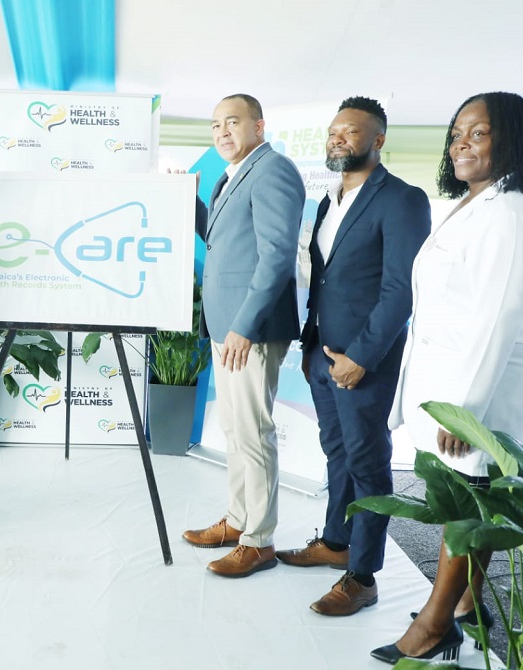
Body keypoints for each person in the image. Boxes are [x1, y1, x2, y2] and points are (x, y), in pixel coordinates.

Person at [371, 92, 523, 663]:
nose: (462, 144)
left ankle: (435, 624)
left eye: (478, 133)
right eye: (457, 133)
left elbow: (497, 315)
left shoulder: (508, 212)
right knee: (470, 496)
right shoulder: (477, 204)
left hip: (481, 383)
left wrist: (467, 409)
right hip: (453, 373)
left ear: (511, 140)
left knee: (465, 499)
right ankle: (465, 605)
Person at [276, 97, 431, 615]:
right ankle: (336, 542)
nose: (338, 138)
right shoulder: (327, 201)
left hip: (364, 361)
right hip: (321, 356)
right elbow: (322, 281)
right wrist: (308, 343)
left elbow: (400, 291)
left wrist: (361, 356)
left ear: (379, 140)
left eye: (352, 131)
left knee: (367, 462)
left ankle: (362, 575)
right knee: (337, 452)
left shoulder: (403, 200)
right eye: (334, 130)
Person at [182, 94, 305, 577]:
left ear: (259, 124)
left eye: (232, 122)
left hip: (248, 328)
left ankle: (259, 541)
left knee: (252, 431)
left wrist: (243, 327)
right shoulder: (233, 175)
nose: (222, 132)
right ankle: (238, 521)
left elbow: (276, 256)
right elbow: (219, 238)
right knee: (235, 429)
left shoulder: (273, 169)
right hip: (229, 324)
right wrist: (188, 201)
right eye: (215, 125)